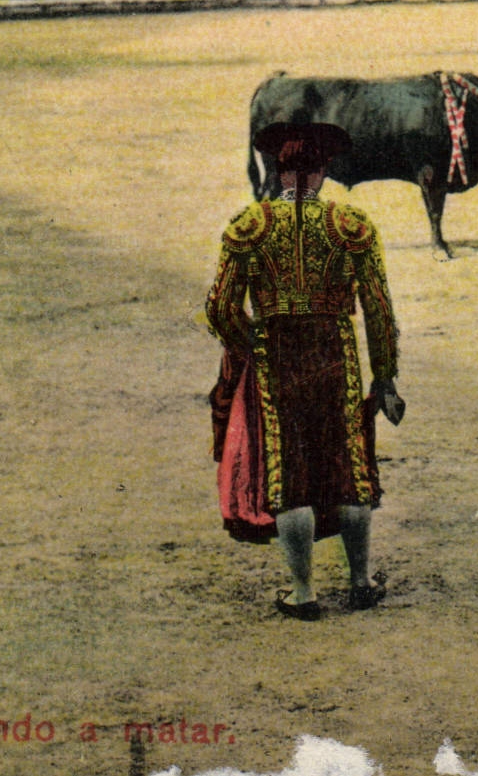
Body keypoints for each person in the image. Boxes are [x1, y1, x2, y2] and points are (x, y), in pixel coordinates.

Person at [206, 121, 405, 620]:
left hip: (277, 354)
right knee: (349, 465)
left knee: (288, 470)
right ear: (322, 171)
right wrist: (384, 376)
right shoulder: (351, 225)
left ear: (278, 172)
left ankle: (304, 593)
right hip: (335, 353)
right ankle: (360, 583)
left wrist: (250, 346)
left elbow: (220, 309)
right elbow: (379, 309)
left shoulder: (249, 226)